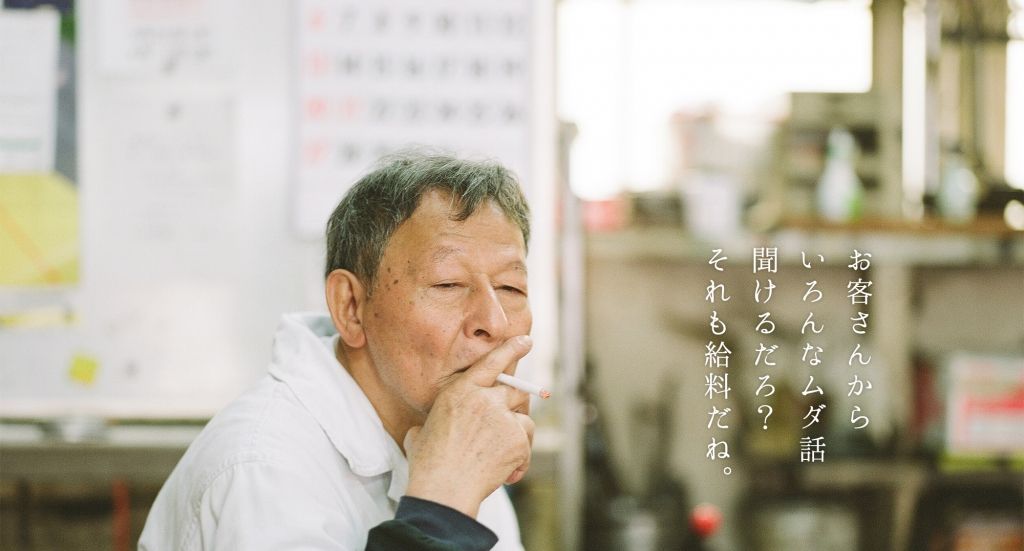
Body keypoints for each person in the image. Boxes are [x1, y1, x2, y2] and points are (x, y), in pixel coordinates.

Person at [139, 152, 537, 550]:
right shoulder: (264, 467)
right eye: (447, 284)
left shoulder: (458, 441)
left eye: (510, 287)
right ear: (350, 306)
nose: (496, 322)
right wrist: (441, 509)